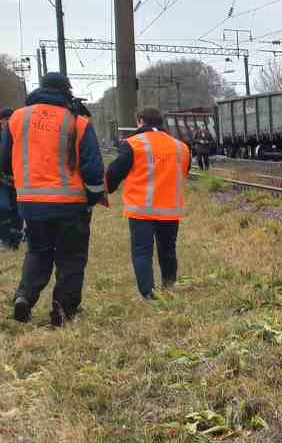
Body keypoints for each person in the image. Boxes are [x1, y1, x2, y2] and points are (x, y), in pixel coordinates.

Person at [0, 73, 106, 325]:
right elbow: (92, 166)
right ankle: (62, 312)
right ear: (67, 90)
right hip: (70, 204)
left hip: (31, 203)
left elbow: (4, 161)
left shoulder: (17, 118)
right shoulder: (77, 121)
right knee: (71, 257)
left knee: (38, 251)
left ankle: (24, 297)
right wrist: (93, 196)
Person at [105, 106, 192, 299]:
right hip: (170, 209)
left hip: (141, 210)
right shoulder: (180, 146)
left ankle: (148, 292)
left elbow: (113, 173)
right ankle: (169, 286)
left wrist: (108, 189)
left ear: (140, 121)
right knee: (168, 249)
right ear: (161, 123)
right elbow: (184, 173)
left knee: (142, 252)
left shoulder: (132, 144)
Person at [0, 109, 22, 250]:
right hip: (2, 180)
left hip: (17, 179)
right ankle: (4, 238)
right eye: (6, 118)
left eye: (10, 118)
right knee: (3, 207)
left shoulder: (20, 136)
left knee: (18, 211)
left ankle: (14, 241)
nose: (8, 121)